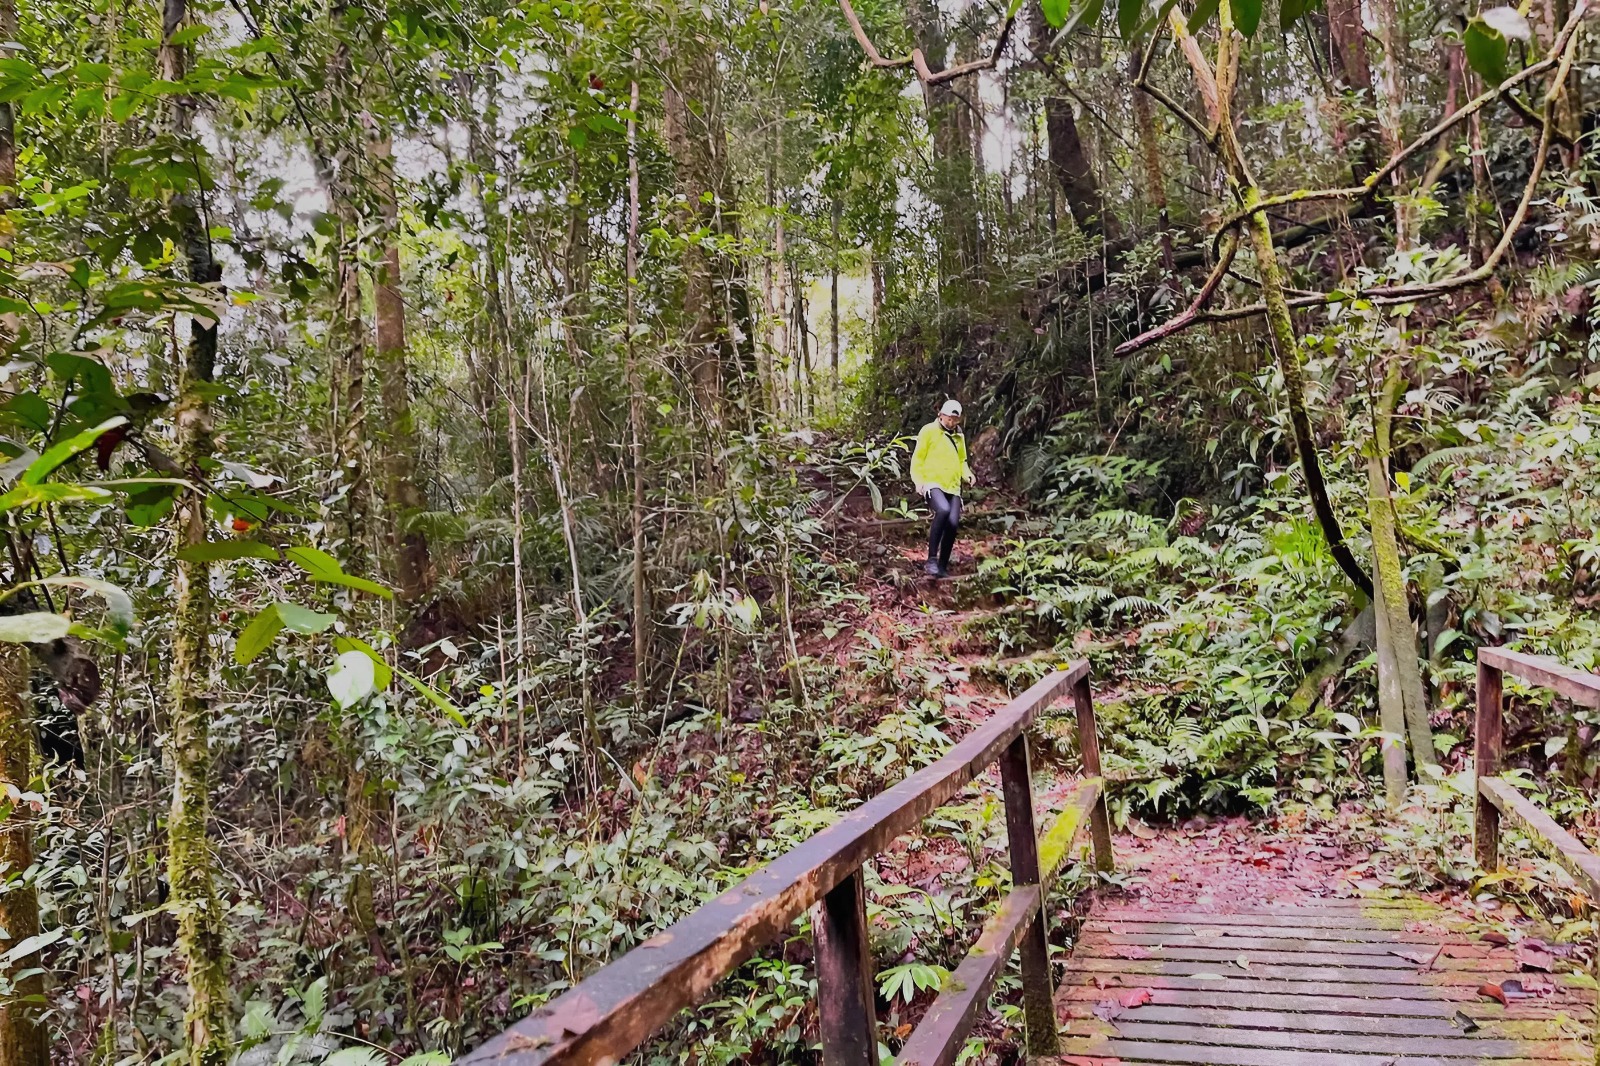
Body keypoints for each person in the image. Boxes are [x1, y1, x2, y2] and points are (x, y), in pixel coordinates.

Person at [909, 399, 973, 578]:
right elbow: (918, 459)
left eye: (955, 419)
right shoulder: (929, 431)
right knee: (943, 510)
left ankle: (943, 566)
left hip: (953, 486)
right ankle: (931, 560)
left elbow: (962, 461)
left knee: (953, 524)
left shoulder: (959, 436)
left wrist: (967, 475)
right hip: (932, 483)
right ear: (941, 415)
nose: (951, 422)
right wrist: (918, 481)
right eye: (949, 418)